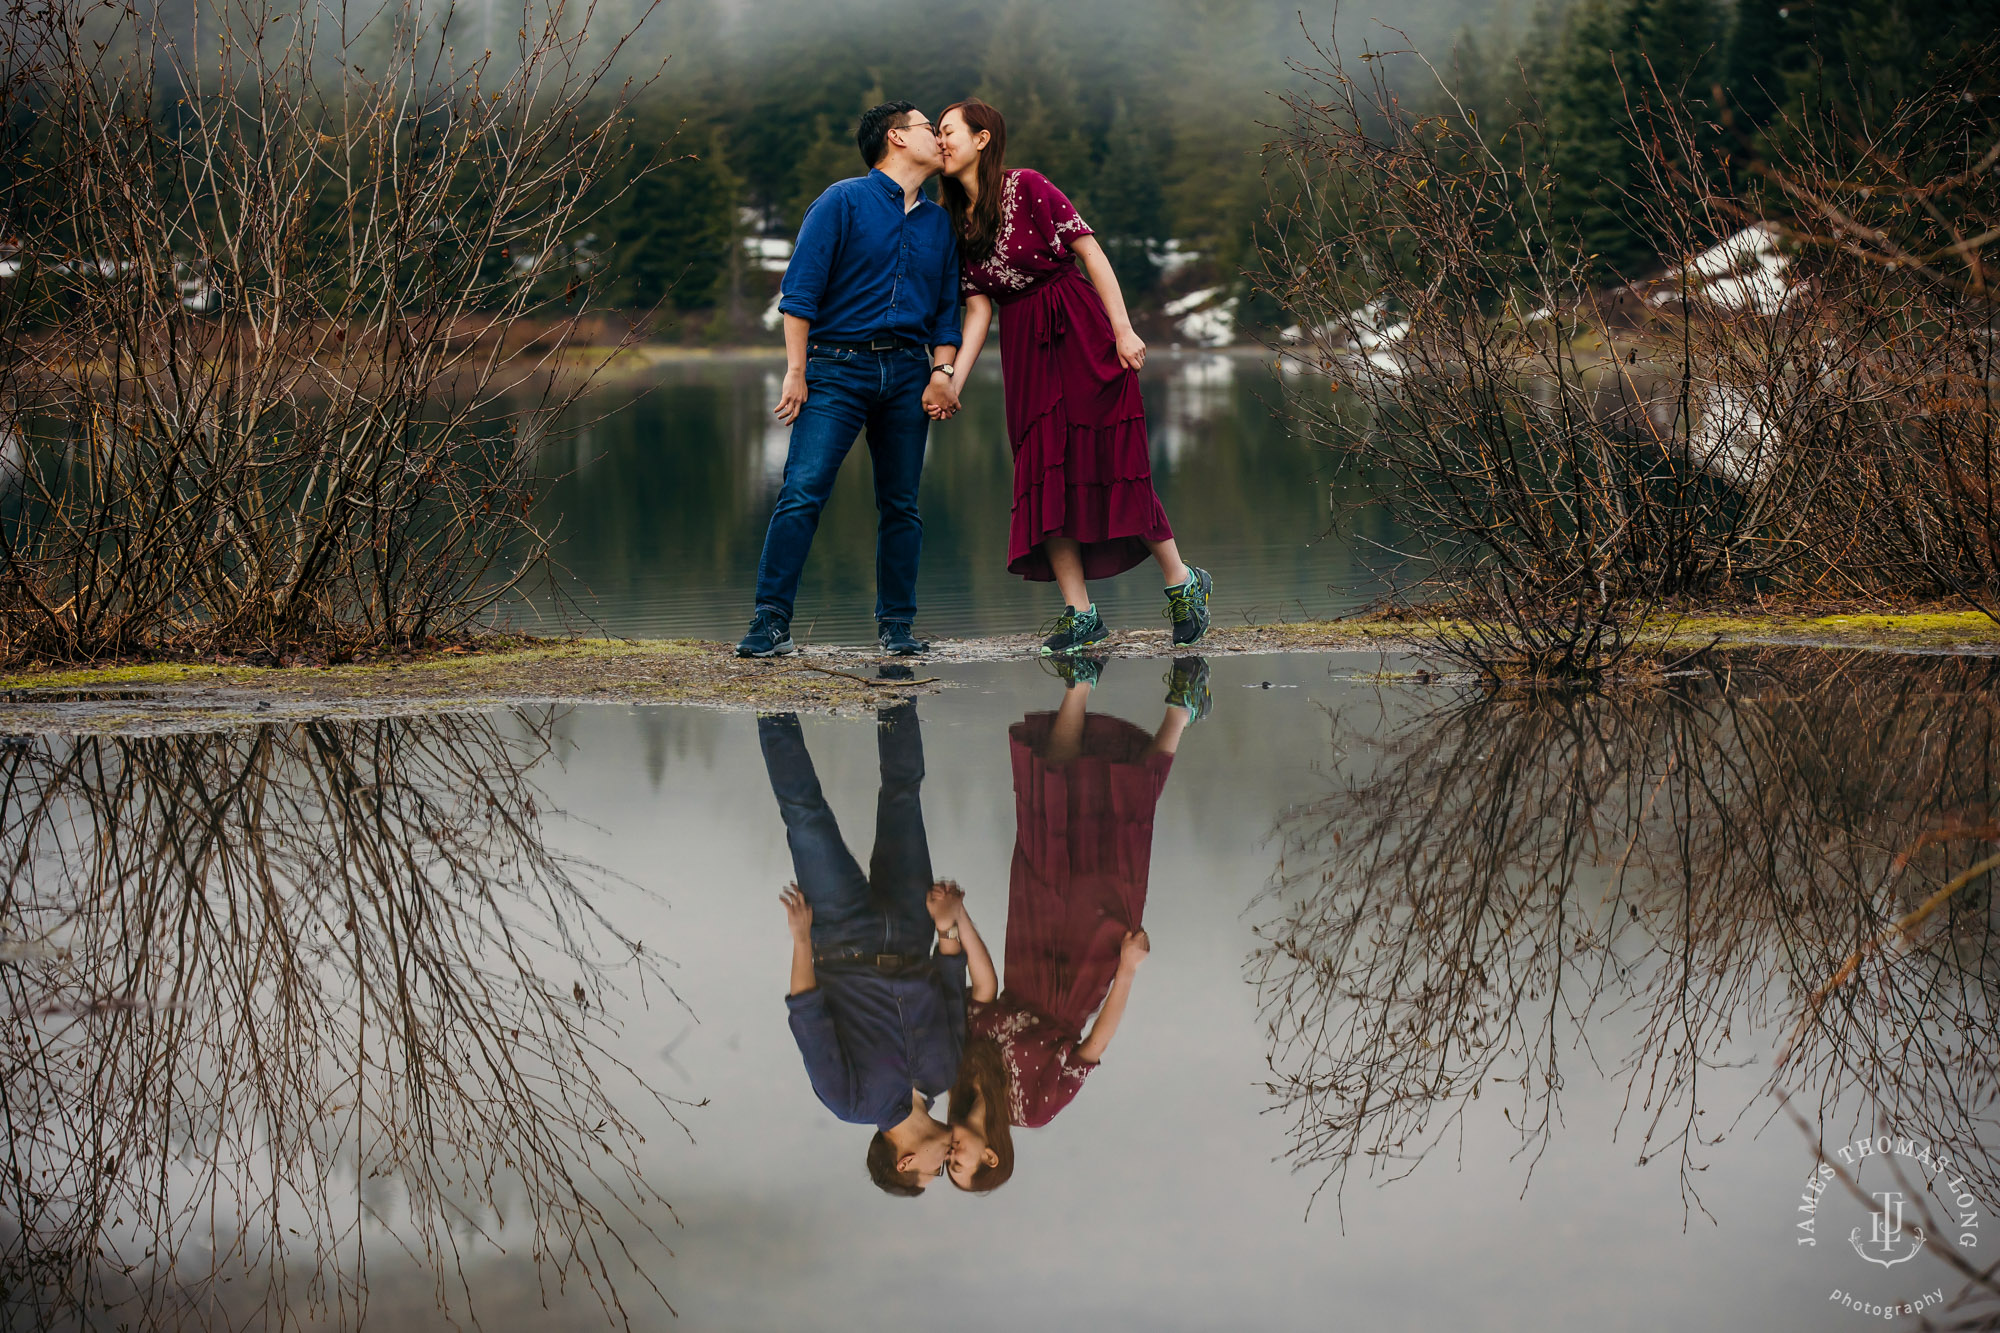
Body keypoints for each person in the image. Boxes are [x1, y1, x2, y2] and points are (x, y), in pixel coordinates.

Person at [930, 98, 1213, 657]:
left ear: (982, 138)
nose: (940, 141)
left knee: (1115, 462)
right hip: (1026, 352)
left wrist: (1123, 329)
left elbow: (1089, 252)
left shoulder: (1028, 185)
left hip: (1082, 331)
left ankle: (1183, 585)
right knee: (1042, 472)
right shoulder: (953, 223)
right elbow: (979, 312)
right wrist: (952, 382)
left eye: (948, 131)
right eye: (936, 133)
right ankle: (1081, 614)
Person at [946, 656, 1211, 1192]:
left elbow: (983, 990)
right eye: (958, 1165)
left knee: (1049, 811)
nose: (950, 1155)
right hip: (1080, 974)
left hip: (1029, 939)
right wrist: (1127, 970)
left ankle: (1080, 682)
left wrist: (957, 919)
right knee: (1121, 840)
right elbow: (1094, 1046)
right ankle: (1181, 709)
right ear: (992, 1157)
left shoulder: (961, 1082)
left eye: (948, 1164)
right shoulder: (1037, 1111)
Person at [737, 101, 964, 659]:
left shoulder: (940, 224)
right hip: (836, 369)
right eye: (929, 130)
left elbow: (946, 315)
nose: (940, 139)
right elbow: (799, 294)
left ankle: (897, 626)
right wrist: (797, 372)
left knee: (902, 503)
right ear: (897, 138)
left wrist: (942, 372)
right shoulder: (841, 201)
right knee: (802, 491)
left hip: (910, 373)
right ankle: (770, 623)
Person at [760, 700, 997, 1195]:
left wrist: (801, 938)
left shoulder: (848, 1100)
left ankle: (770, 698)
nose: (943, 1164)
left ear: (906, 1160)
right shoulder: (943, 1075)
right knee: (903, 795)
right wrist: (948, 925)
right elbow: (951, 986)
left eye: (934, 1171)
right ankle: (895, 680)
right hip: (913, 927)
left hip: (839, 935)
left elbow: (808, 1016)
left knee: (806, 817)